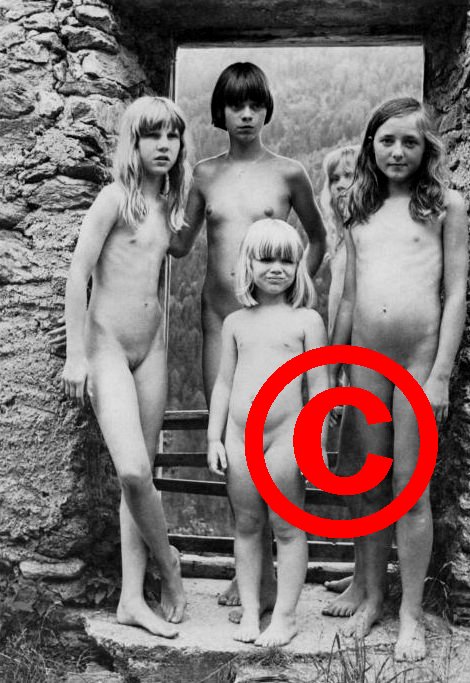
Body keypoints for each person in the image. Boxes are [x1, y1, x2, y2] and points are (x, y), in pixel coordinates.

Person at [171, 62, 326, 613]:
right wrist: (145, 199)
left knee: (280, 439)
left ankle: (277, 571)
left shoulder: (289, 173)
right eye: (235, 105)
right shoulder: (204, 175)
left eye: (254, 105)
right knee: (234, 439)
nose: (245, 115)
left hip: (277, 329)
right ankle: (250, 576)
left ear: (266, 110)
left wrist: (292, 297)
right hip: (221, 321)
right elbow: (179, 244)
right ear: (221, 112)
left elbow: (317, 237)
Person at [328, 97, 468, 662]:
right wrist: (332, 369)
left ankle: (411, 613)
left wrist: (440, 375)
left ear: (426, 148)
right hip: (365, 362)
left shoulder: (445, 206)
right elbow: (350, 297)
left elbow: (455, 294)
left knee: (410, 490)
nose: (397, 151)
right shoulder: (357, 207)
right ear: (371, 145)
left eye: (410, 142)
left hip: (416, 364)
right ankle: (372, 599)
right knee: (369, 486)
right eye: (386, 140)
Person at [61, 96, 192, 637]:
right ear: (133, 144)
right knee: (133, 471)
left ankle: (131, 599)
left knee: (142, 481)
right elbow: (78, 274)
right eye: (152, 136)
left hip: (152, 348)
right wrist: (76, 354)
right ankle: (170, 566)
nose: (163, 145)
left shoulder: (169, 205)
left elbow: (180, 247)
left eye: (172, 136)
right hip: (108, 346)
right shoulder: (115, 198)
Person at [206, 218, 329, 646]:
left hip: (286, 440)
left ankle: (286, 617)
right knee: (246, 525)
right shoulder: (235, 323)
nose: (276, 269)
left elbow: (319, 386)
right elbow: (224, 384)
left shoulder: (307, 321)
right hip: (240, 439)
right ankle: (250, 611)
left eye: (287, 261)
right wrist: (214, 437)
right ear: (248, 265)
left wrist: (317, 444)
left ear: (298, 267)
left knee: (289, 527)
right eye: (266, 259)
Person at [319, 145, 358, 337]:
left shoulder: (366, 232)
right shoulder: (338, 236)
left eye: (348, 175)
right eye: (334, 179)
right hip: (338, 335)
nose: (340, 185)